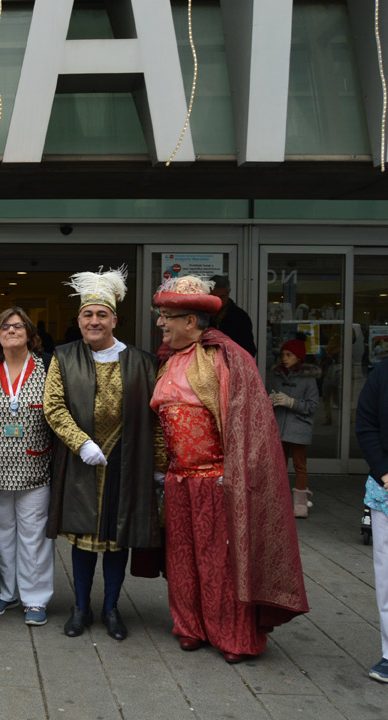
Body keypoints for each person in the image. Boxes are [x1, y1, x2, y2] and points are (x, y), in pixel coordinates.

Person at [152, 275, 308, 664]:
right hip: (177, 480)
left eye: (167, 316)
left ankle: (233, 634)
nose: (160, 324)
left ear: (192, 321)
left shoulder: (226, 358)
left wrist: (233, 477)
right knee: (182, 557)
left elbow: (247, 426)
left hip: (215, 480)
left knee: (218, 560)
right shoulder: (166, 360)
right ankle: (190, 626)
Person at [43, 266, 161, 641]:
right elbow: (53, 406)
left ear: (114, 319)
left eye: (101, 314)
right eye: (87, 314)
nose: (94, 321)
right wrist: (82, 443)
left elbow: (156, 417)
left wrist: (158, 465)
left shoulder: (143, 362)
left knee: (116, 539)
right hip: (82, 462)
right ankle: (81, 608)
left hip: (127, 463)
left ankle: (111, 608)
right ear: (78, 320)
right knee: (82, 539)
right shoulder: (63, 357)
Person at [0, 308, 54, 626]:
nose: (11, 330)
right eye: (5, 327)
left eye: (17, 326)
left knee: (33, 535)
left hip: (35, 466)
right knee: (1, 533)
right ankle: (5, 591)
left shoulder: (47, 368)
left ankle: (36, 599)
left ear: (29, 333)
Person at [356, 358, 388, 682]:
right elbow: (366, 425)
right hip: (386, 489)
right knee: (387, 574)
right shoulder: (382, 374)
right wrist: (384, 472)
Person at [267, 339, 320, 518]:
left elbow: (312, 406)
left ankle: (300, 503)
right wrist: (271, 400)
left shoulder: (308, 379)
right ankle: (276, 500)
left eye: (289, 355)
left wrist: (291, 402)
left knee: (299, 465)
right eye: (283, 355)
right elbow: (269, 396)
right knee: (278, 465)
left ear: (299, 357)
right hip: (279, 426)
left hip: (298, 427)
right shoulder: (277, 375)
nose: (285, 358)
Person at [209, 275, 257, 358]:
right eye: (214, 296)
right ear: (208, 293)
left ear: (228, 293)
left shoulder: (240, 317)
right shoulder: (200, 314)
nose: (218, 300)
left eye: (222, 297)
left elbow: (249, 350)